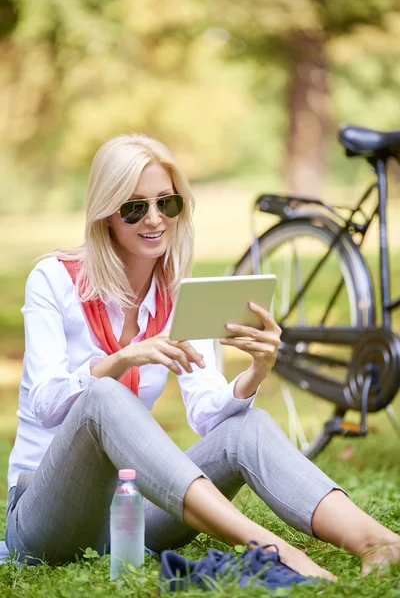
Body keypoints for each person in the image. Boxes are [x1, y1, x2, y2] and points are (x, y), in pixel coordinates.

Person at [5, 133, 399, 579]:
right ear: (105, 215)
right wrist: (122, 360)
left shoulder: (178, 294)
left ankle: (379, 543)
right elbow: (45, 402)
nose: (155, 219)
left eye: (166, 204)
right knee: (104, 397)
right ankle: (273, 549)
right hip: (47, 519)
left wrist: (255, 372)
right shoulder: (53, 280)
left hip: (134, 514)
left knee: (246, 426)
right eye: (135, 207)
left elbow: (211, 417)